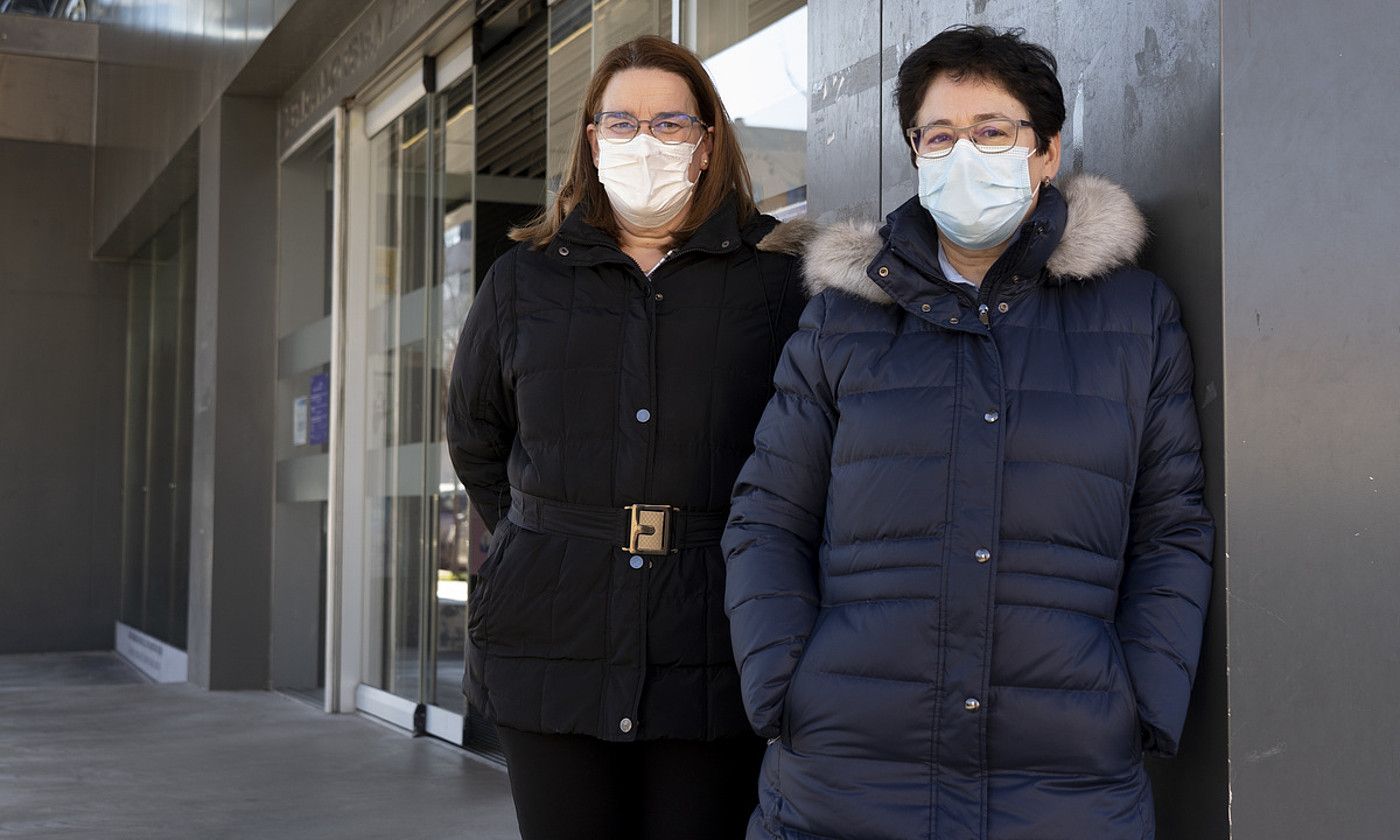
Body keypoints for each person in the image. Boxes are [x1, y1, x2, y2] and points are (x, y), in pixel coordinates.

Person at [723, 25, 1214, 840]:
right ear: (915, 153)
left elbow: (1173, 529)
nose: (964, 153)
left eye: (993, 131)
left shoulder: (1135, 318)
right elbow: (767, 516)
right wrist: (784, 685)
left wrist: (1139, 700)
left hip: (1067, 787)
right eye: (939, 135)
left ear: (1047, 151)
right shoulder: (842, 322)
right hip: (845, 783)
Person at [446, 35, 811, 840]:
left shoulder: (778, 281)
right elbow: (476, 436)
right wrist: (554, 537)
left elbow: (806, 456)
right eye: (622, 122)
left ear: (709, 139)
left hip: (714, 640)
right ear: (591, 137)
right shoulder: (524, 279)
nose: (644, 142)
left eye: (670, 123)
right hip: (550, 636)